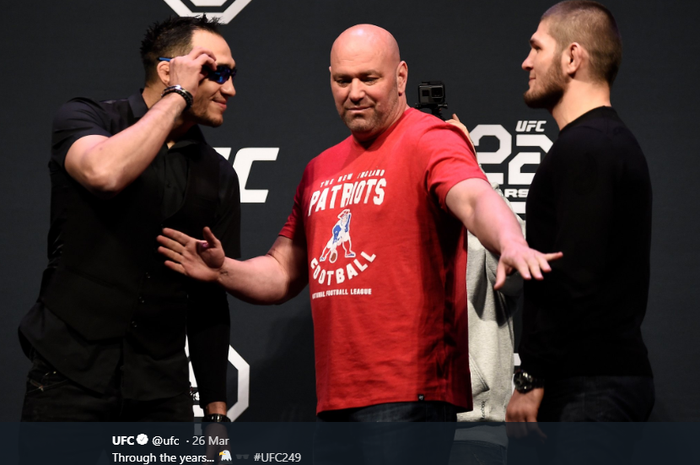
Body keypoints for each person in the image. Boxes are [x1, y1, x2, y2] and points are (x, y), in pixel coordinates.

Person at [159, 24, 560, 422]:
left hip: (411, 391)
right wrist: (224, 269)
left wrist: (509, 241)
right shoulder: (319, 168)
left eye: (369, 78)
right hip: (336, 397)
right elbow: (282, 272)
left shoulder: (429, 137)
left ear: (400, 76)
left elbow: (473, 199)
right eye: (342, 80)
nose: (354, 93)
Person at [18, 16, 241, 422]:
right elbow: (105, 174)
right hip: (69, 373)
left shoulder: (220, 175)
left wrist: (215, 413)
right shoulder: (87, 119)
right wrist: (178, 95)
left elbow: (209, 297)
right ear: (168, 70)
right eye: (215, 73)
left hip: (160, 390)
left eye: (231, 74)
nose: (230, 88)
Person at [506, 0, 654, 461]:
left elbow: (575, 275)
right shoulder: (600, 143)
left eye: (536, 48)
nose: (525, 61)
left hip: (588, 390)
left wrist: (531, 378)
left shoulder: (587, 148)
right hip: (594, 384)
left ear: (572, 58)